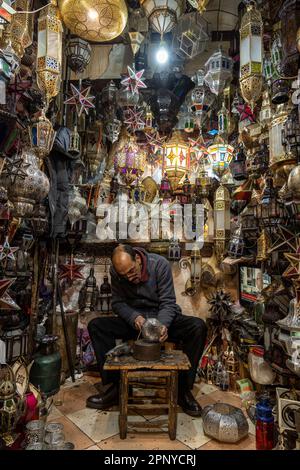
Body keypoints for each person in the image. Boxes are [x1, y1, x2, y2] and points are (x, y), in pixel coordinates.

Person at [86, 244, 207, 416]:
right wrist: (135, 318)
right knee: (96, 326)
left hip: (160, 317)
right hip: (136, 322)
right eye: (124, 275)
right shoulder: (116, 271)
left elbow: (168, 302)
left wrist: (163, 325)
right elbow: (118, 303)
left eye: (131, 271)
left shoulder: (159, 264)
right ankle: (116, 388)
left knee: (197, 327)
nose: (129, 277)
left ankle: (182, 390)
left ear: (137, 258)